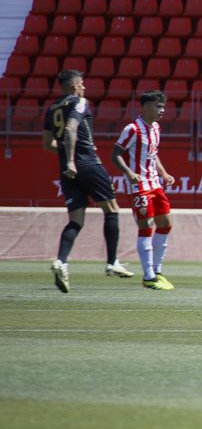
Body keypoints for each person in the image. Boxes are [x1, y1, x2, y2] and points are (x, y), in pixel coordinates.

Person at [43, 69, 135, 291]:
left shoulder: (51, 109)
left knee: (76, 220)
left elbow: (47, 144)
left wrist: (67, 158)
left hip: (66, 169)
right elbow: (71, 128)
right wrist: (75, 159)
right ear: (75, 86)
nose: (84, 88)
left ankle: (61, 262)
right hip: (87, 164)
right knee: (112, 209)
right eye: (82, 84)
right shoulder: (80, 102)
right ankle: (112, 263)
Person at [113, 89, 177, 290]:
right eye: (158, 106)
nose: (162, 110)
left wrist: (164, 173)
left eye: (163, 106)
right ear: (147, 106)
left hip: (155, 183)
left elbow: (153, 154)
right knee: (146, 226)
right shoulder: (132, 129)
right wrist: (128, 173)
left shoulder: (156, 128)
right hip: (139, 185)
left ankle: (157, 271)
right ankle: (148, 275)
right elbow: (116, 154)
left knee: (166, 223)